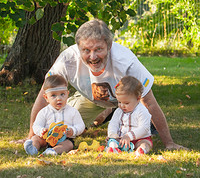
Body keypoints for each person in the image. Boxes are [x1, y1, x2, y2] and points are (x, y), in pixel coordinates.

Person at [28, 18, 186, 150]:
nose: (92, 56)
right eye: (86, 50)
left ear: (109, 46)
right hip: (91, 98)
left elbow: (149, 102)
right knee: (67, 125)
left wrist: (169, 143)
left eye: (98, 49)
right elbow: (46, 94)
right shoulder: (68, 59)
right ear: (78, 48)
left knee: (138, 117)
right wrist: (30, 137)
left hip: (126, 97)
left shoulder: (126, 62)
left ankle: (128, 116)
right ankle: (108, 112)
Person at [24, 74, 85, 155]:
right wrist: (41, 131)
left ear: (67, 94)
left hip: (64, 139)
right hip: (46, 138)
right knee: (35, 138)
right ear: (46, 98)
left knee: (68, 145)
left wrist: (73, 131)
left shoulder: (73, 111)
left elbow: (81, 125)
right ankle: (33, 148)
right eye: (53, 95)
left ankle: (53, 151)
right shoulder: (44, 112)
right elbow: (36, 126)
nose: (59, 98)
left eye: (62, 94)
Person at [107, 76, 153, 156]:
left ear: (138, 98)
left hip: (139, 138)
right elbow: (113, 124)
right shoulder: (119, 111)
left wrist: (129, 136)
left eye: (126, 103)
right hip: (122, 139)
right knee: (113, 141)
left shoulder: (142, 111)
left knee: (146, 143)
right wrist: (113, 134)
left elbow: (144, 128)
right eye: (119, 102)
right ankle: (114, 148)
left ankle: (141, 150)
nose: (122, 106)